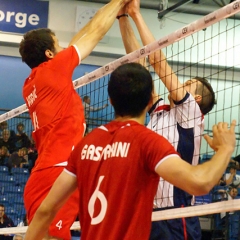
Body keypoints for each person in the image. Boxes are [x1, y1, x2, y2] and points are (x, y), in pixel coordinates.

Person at [24, 63, 236, 240]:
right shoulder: (147, 143)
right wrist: (225, 149)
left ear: (110, 101)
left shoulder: (86, 145)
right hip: (166, 216)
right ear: (148, 102)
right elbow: (200, 182)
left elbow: (45, 211)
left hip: (160, 214)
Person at [18, 0, 133, 239]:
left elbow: (81, 37)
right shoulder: (54, 69)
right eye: (58, 45)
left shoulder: (31, 83)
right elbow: (95, 31)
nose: (65, 49)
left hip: (41, 176)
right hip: (59, 175)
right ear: (50, 54)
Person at [118, 1, 216, 239]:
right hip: (149, 212)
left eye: (189, 83)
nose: (182, 83)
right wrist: (122, 18)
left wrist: (137, 15)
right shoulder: (161, 109)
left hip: (175, 214)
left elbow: (157, 62)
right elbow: (137, 66)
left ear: (197, 97)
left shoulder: (191, 112)